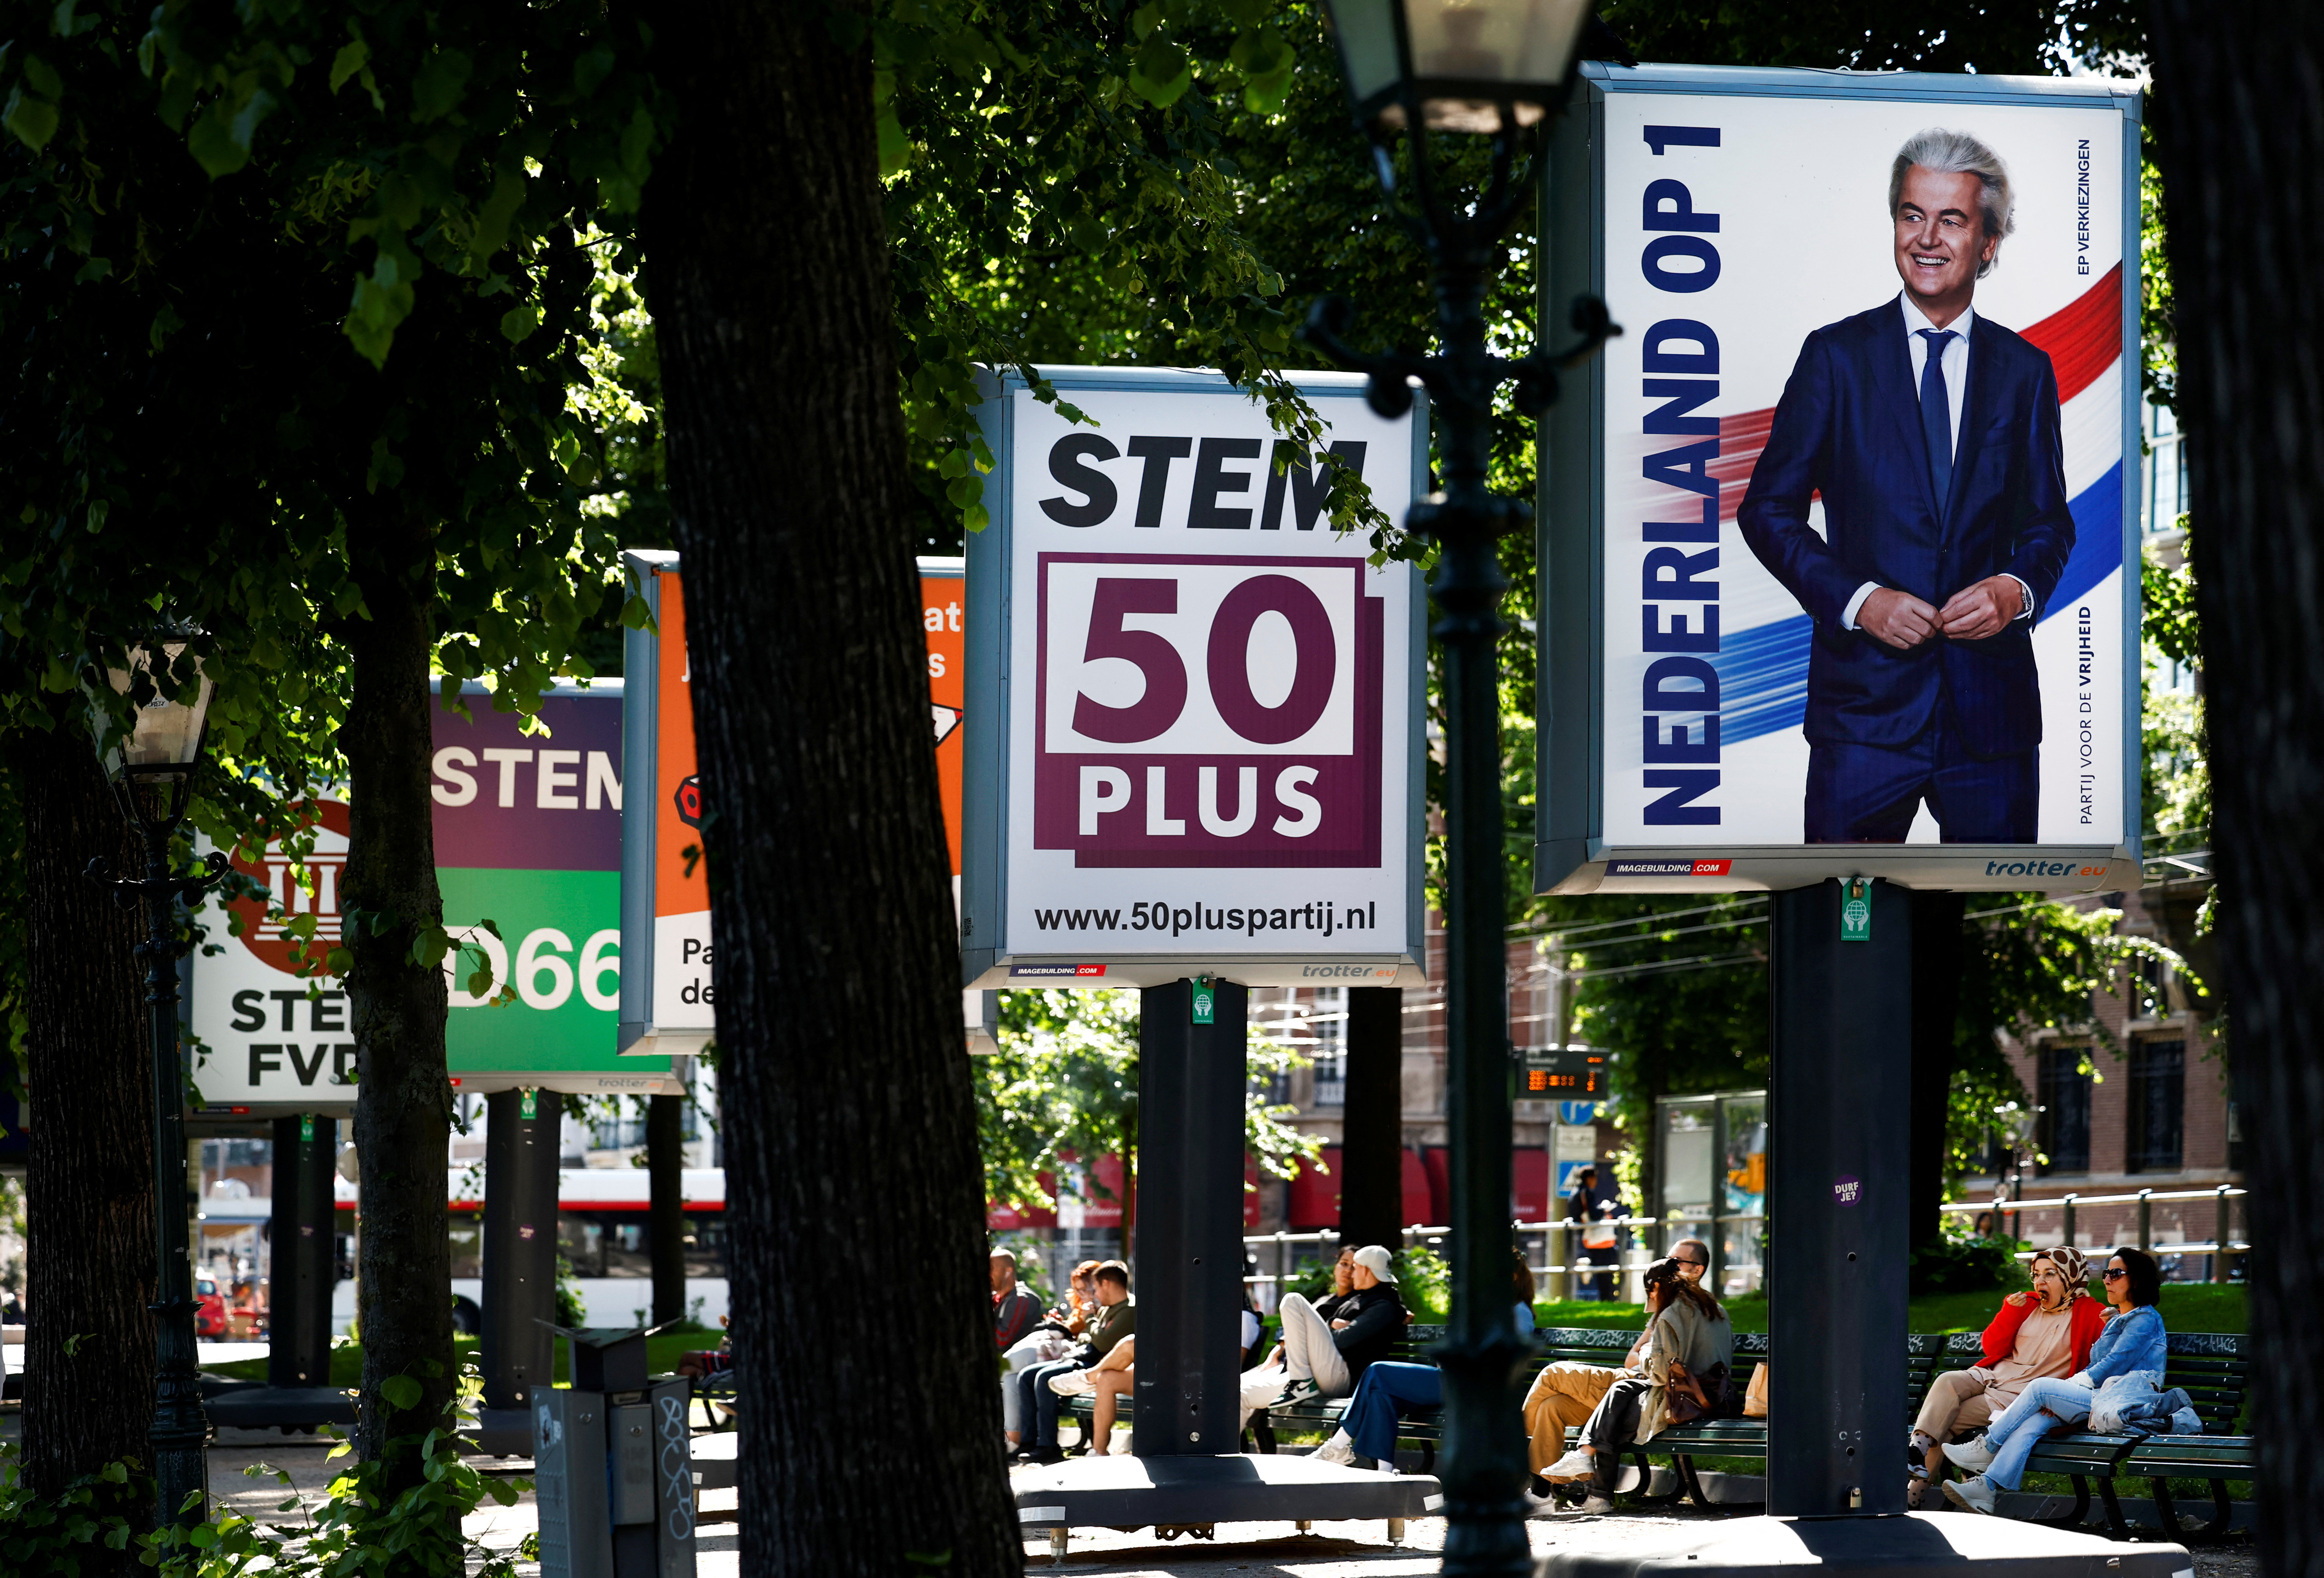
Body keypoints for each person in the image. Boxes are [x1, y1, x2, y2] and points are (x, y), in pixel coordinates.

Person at [1736, 128, 2075, 844]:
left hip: (1992, 724)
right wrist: (1860, 601)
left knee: (1988, 938)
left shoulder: (2025, 371)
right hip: (1862, 716)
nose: (1926, 237)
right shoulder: (1834, 358)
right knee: (1841, 938)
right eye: (1911, 214)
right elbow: (1767, 511)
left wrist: (2014, 588)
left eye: (1951, 220)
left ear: (1987, 244)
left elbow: (2049, 524)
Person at [1941, 1247, 2169, 1514]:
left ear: (2137, 1280)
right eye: (2107, 1273)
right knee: (2031, 1424)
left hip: (2125, 1403)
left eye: (2116, 1273)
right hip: (2100, 1399)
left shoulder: (2144, 1318)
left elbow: (2117, 1362)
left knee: (2039, 1387)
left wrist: (2066, 1390)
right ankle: (1986, 1489)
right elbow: (2098, 1363)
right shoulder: (2119, 1319)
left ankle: (1988, 1446)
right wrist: (2062, 1399)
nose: (2107, 1279)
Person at [1905, 1245, 2102, 1507]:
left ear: (2070, 1277)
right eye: (2036, 1275)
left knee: (1947, 1421)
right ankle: (1916, 1451)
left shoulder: (2092, 1314)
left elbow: (2106, 1362)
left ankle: (1911, 1497)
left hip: (2018, 1396)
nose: (2040, 1281)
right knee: (1948, 1380)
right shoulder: (2027, 1305)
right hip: (1992, 1376)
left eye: (2050, 1274)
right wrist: (2008, 1312)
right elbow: (1992, 1348)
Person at [1537, 1256, 1734, 1515]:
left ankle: (1595, 1485)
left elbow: (1662, 1375)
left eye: (1649, 1291)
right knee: (1619, 1394)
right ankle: (1590, 1477)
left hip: (1683, 1402)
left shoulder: (1670, 1315)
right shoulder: (1716, 1309)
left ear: (1656, 1288)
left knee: (1614, 1411)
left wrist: (1645, 1354)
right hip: (1718, 1397)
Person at [1313, 1247, 1538, 1469]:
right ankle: (1384, 1473)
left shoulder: (1518, 1313)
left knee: (1378, 1371)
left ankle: (1338, 1444)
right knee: (1381, 1395)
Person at [1521, 1237, 1712, 1484]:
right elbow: (1630, 1358)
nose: (1667, 1266)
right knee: (1553, 1407)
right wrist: (1644, 1357)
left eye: (1676, 1263)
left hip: (1646, 1390)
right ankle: (1542, 1492)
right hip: (1637, 1385)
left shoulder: (1688, 1310)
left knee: (1553, 1374)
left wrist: (1644, 1357)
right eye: (1667, 1260)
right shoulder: (1669, 1307)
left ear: (1698, 1270)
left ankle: (1508, 1444)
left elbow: (1651, 1365)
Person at [1013, 1260, 1134, 1463]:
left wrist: (1090, 1320)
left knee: (1044, 1378)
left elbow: (1103, 1343)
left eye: (1095, 1288)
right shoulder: (1107, 1309)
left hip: (1098, 1362)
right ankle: (1029, 1441)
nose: (1094, 1294)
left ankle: (1048, 1445)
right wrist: (1095, 1330)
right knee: (1027, 1376)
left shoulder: (1129, 1309)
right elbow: (1088, 1338)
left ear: (1106, 1283)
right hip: (1085, 1357)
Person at [1271, 1244, 1407, 1406]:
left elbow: (1342, 1340)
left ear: (1366, 1271)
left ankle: (1302, 1382)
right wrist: (1332, 1325)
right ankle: (1300, 1382)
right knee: (1245, 1393)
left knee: (1293, 1300)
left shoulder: (1383, 1305)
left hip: (1344, 1378)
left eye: (1355, 1268)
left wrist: (1329, 1328)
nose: (1351, 1274)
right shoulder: (1365, 1298)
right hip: (1329, 1369)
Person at [1566, 1167, 1620, 1301]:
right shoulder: (1587, 1192)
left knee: (1599, 1268)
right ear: (1590, 1178)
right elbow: (1594, 1215)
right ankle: (1608, 1298)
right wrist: (1603, 1210)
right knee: (1605, 1269)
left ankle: (1606, 1298)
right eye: (1595, 1178)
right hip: (1598, 1238)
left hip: (1589, 1238)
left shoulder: (1576, 1192)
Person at [991, 1249, 1043, 1350]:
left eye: (991, 1268)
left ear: (1008, 1271)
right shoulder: (997, 1298)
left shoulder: (1022, 1299)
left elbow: (1002, 1341)